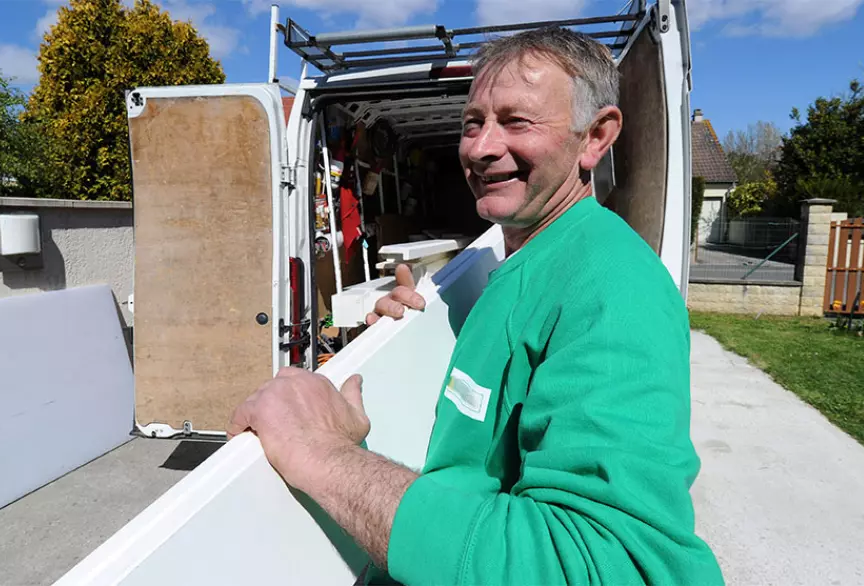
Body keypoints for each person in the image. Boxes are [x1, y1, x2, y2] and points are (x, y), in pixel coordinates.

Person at [227, 26, 724, 585]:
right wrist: (404, 349)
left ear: (595, 137)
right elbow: (479, 452)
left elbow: (606, 566)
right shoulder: (520, 258)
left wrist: (318, 453)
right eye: (473, 122)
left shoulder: (616, 289)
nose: (481, 147)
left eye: (517, 121)